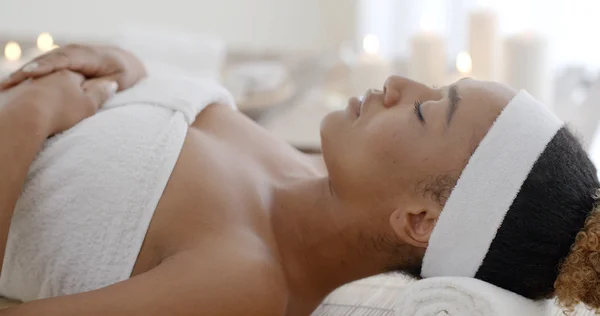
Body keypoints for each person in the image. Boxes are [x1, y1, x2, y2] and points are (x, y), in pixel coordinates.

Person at [0, 43, 597, 315]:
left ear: (421, 220)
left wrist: (29, 117)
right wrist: (122, 66)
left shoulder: (244, 284)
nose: (397, 85)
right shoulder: (294, 165)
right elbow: (148, 104)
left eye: (424, 111)